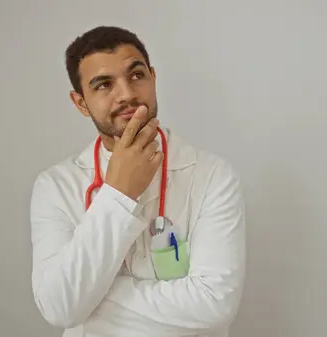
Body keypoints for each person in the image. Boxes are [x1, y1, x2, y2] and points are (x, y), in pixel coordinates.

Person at [29, 25, 246, 337]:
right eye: (104, 85)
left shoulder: (213, 176)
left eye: (136, 75)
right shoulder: (55, 187)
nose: (127, 94)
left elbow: (215, 305)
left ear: (153, 78)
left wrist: (91, 302)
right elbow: (59, 307)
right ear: (80, 103)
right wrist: (118, 193)